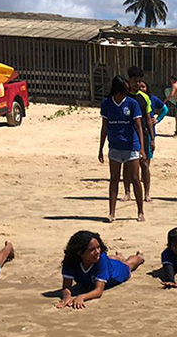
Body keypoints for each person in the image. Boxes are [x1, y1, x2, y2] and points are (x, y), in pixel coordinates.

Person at [98, 76, 146, 223]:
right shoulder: (107, 103)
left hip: (131, 146)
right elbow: (104, 127)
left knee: (135, 179)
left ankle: (140, 211)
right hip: (114, 146)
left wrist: (142, 148)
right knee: (114, 179)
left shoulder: (132, 103)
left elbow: (139, 126)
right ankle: (112, 212)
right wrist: (100, 148)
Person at [57, 230, 143, 309]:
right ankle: (119, 256)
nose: (97, 251)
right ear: (80, 253)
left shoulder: (100, 258)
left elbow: (98, 291)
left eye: (98, 247)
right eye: (92, 249)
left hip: (116, 273)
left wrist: (81, 297)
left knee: (128, 264)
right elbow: (66, 286)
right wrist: (67, 296)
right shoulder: (71, 261)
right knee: (108, 259)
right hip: (105, 265)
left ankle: (139, 256)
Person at [126, 67, 155, 203]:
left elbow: (148, 119)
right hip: (127, 133)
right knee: (127, 164)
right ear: (129, 80)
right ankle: (127, 192)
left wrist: (152, 138)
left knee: (144, 163)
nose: (138, 84)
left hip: (142, 132)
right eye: (135, 81)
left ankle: (147, 193)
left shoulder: (144, 97)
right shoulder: (125, 96)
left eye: (139, 81)